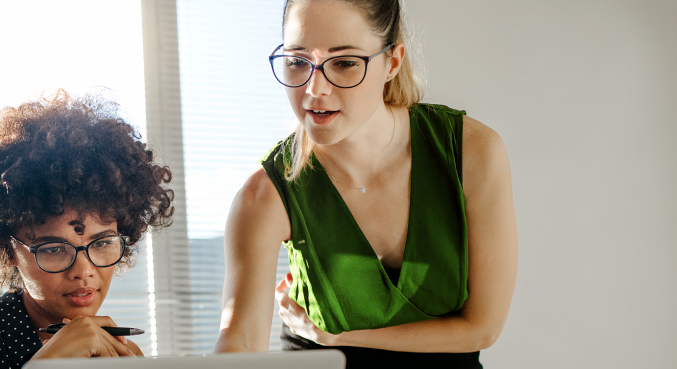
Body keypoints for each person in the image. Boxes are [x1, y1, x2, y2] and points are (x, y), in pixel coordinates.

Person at [214, 0, 518, 367]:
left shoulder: (473, 153)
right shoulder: (263, 195)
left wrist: (340, 338)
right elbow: (239, 341)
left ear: (392, 62)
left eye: (343, 63)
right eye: (297, 61)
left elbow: (481, 328)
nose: (314, 90)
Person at [0, 91, 174, 369]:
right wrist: (46, 364)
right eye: (54, 249)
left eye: (101, 243)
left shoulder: (120, 353)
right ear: (8, 247)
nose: (83, 271)